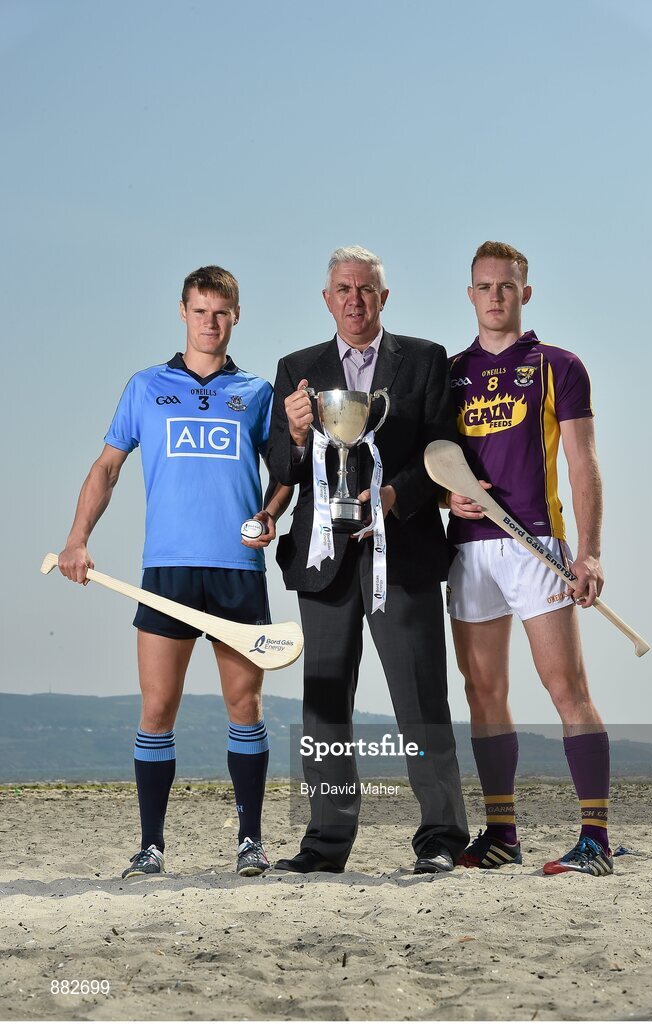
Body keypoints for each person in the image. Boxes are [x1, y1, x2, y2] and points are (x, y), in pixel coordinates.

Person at [58, 266, 290, 878]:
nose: (210, 323)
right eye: (199, 311)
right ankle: (151, 846)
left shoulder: (258, 394)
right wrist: (78, 539)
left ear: (236, 315)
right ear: (183, 313)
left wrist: (268, 514)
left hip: (237, 568)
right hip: (166, 570)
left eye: (221, 312)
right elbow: (107, 467)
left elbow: (284, 476)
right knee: (158, 707)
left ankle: (250, 842)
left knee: (245, 704)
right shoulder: (145, 387)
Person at [268, 246, 469, 874]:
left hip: (402, 551)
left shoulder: (426, 360)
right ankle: (325, 844)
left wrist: (391, 495)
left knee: (421, 699)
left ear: (384, 297)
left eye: (367, 289)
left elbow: (443, 449)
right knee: (324, 706)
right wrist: (298, 434)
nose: (355, 299)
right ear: (327, 299)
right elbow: (283, 468)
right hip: (323, 560)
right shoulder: (297, 369)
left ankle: (440, 836)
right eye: (344, 289)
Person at [447, 241, 613, 876]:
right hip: (468, 551)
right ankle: (502, 832)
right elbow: (439, 464)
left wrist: (589, 553)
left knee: (565, 687)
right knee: (483, 690)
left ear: (525, 293)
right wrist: (446, 498)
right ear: (470, 295)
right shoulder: (451, 372)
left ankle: (593, 836)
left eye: (506, 286)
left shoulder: (558, 366)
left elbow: (582, 464)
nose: (495, 295)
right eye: (485, 286)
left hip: (536, 545)